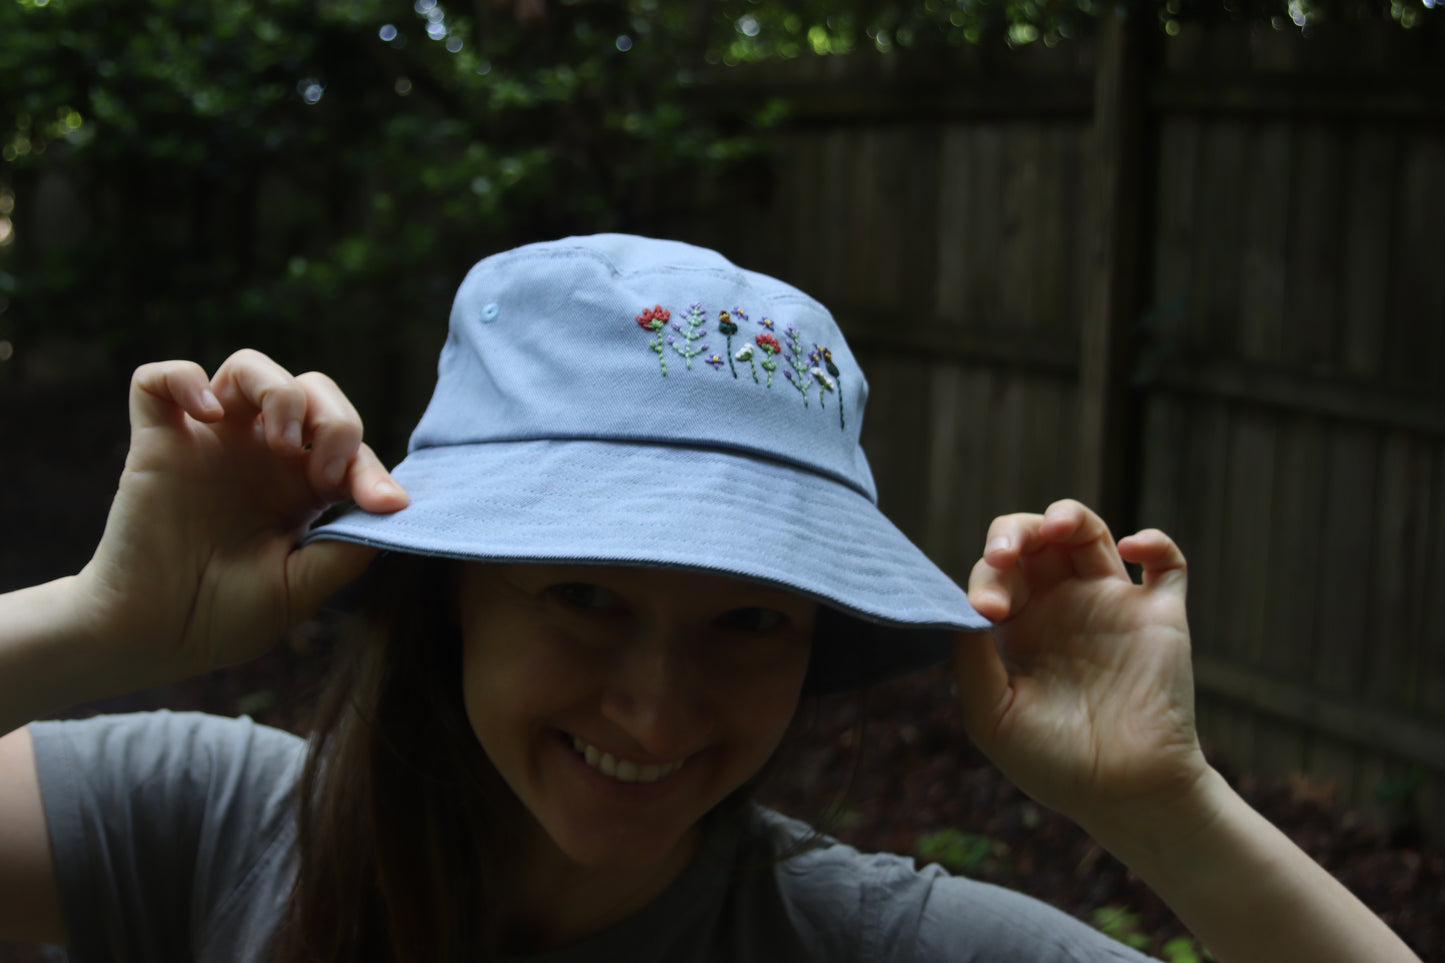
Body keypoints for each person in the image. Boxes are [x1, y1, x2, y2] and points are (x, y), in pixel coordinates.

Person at [0, 235, 1420, 963]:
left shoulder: (863, 943)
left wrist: (1164, 808)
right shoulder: (217, 827)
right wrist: (104, 624)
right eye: (585, 596)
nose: (657, 708)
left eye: (750, 619)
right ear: (450, 599)